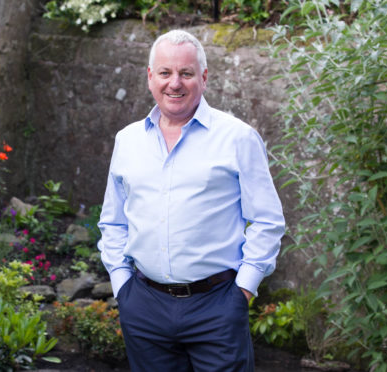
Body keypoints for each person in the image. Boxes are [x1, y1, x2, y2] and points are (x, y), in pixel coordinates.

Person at [97, 29, 285, 372]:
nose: (175, 83)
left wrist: (243, 290)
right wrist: (122, 286)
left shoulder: (238, 138)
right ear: (150, 77)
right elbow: (113, 221)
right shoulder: (128, 140)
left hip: (217, 306)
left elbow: (268, 220)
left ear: (204, 77)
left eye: (186, 73)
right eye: (165, 73)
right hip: (144, 306)